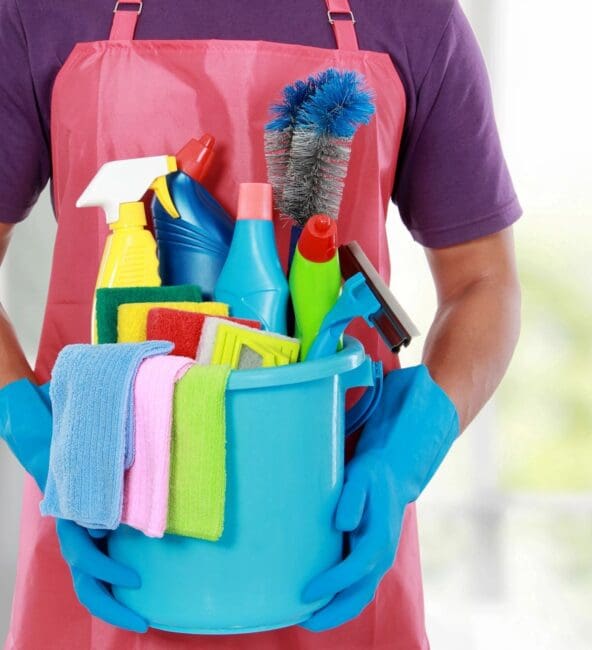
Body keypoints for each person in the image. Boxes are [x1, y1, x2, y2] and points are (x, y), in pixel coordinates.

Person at [0, 0, 521, 647]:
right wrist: (42, 440)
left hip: (331, 516)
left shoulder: (415, 15)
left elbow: (484, 282)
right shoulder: (39, 9)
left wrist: (411, 446)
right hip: (111, 505)